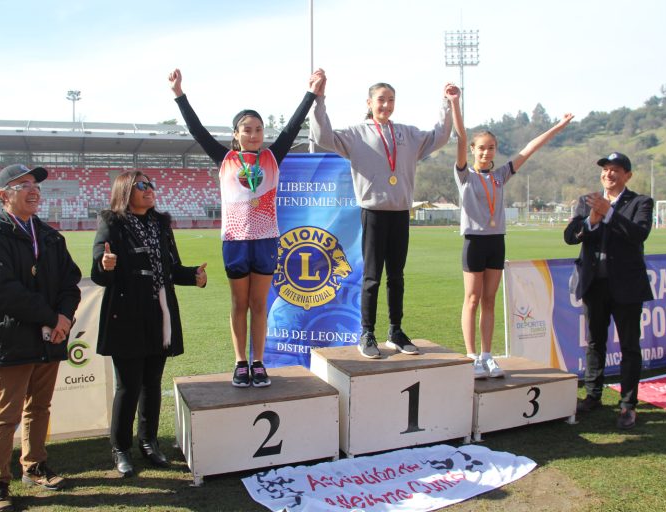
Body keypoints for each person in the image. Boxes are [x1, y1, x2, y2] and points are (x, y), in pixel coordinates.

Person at [168, 67, 325, 387]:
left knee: (259, 305)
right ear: (236, 135)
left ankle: (258, 361)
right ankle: (241, 362)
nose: (253, 134)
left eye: (258, 129)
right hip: (236, 241)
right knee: (239, 304)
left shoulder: (272, 156)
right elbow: (198, 131)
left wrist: (311, 93)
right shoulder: (225, 159)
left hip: (266, 240)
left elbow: (294, 127)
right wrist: (179, 95)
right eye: (246, 129)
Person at [309, 77, 455, 359]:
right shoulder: (356, 133)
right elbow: (322, 137)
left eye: (390, 100)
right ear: (369, 103)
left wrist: (446, 104)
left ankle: (396, 331)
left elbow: (440, 136)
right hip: (373, 213)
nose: (386, 105)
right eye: (381, 100)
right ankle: (367, 332)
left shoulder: (408, 134)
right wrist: (319, 100)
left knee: (397, 277)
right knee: (372, 277)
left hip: (400, 213)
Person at [0, 164, 81, 512]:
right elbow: (2, 292)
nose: (34, 190)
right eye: (23, 185)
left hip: (50, 338)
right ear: (3, 195)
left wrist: (63, 317)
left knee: (40, 407)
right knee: (6, 414)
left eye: (35, 184)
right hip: (13, 338)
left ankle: (34, 467)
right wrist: (52, 317)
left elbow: (70, 283)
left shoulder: (49, 235)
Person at [92, 171, 207, 477]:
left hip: (160, 313)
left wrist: (193, 276)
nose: (149, 189)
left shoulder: (160, 224)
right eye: (141, 186)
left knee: (151, 384)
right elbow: (100, 274)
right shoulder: (112, 223)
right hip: (127, 313)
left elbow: (173, 269)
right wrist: (105, 266)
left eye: (150, 184)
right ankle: (120, 448)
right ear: (125, 191)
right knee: (128, 387)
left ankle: (149, 442)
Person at [452, 100, 573, 379]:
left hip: (497, 241)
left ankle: (487, 356)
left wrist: (558, 126)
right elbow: (459, 137)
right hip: (474, 242)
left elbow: (529, 148)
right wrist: (455, 103)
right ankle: (471, 357)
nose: (486, 152)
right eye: (481, 148)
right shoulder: (465, 176)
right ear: (472, 150)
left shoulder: (500, 176)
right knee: (472, 299)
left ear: (495, 150)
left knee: (490, 300)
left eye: (491, 147)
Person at [564, 152, 653, 429]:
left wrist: (610, 212)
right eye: (605, 169)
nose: (609, 174)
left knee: (629, 346)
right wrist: (591, 219)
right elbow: (570, 236)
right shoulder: (587, 201)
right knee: (594, 343)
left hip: (626, 287)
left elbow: (638, 234)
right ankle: (592, 396)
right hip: (595, 286)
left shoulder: (641, 202)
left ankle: (628, 405)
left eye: (616, 170)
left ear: (628, 175)